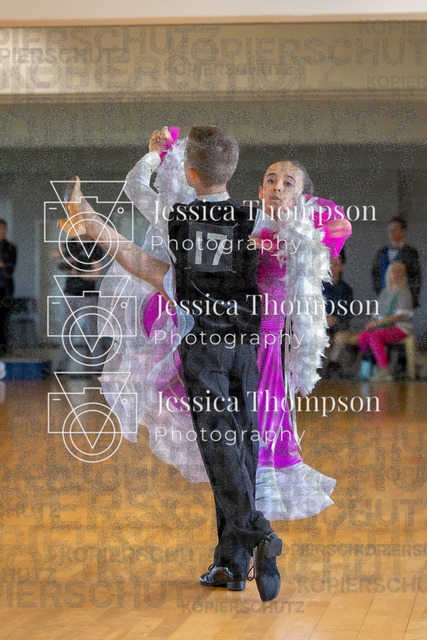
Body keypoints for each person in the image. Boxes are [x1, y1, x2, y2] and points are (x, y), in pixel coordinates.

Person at [65, 126, 283, 603]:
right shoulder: (256, 220)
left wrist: (150, 157)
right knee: (242, 445)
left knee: (219, 447)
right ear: (233, 171)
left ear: (190, 173)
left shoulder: (179, 217)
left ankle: (256, 533)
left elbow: (140, 214)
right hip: (247, 348)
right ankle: (232, 563)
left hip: (204, 345)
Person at [359, 261, 413, 381]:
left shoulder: (405, 292)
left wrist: (378, 323)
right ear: (388, 273)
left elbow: (399, 316)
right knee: (363, 336)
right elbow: (376, 313)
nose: (396, 273)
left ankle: (384, 371)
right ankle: (368, 367)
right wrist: (372, 322)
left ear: (404, 275)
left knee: (374, 335)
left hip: (400, 327)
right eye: (393, 271)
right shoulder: (384, 292)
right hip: (382, 326)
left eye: (399, 271)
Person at [372, 217, 421, 308]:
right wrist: (380, 293)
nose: (391, 232)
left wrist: (413, 298)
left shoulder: (410, 253)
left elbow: (416, 277)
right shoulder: (381, 252)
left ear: (403, 232)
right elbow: (375, 274)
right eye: (389, 229)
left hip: (403, 299)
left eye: (395, 229)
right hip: (385, 298)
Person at [321, 248, 355, 378]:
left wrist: (336, 319)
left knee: (342, 335)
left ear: (341, 267)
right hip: (322, 324)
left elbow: (348, 312)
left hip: (339, 324)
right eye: (330, 264)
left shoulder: (346, 289)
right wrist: (324, 318)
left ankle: (333, 364)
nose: (332, 268)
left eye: (336, 265)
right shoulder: (319, 287)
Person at [0, 220, 17, 356]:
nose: (2, 231)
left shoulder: (10, 248)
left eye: (3, 228)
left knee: (4, 319)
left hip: (6, 289)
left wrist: (3, 264)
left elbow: (9, 269)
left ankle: (3, 347)